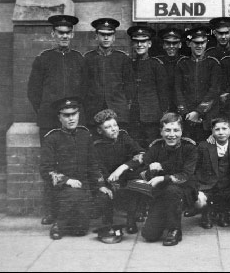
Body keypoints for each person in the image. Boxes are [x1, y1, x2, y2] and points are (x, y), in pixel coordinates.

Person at [27, 14, 84, 225]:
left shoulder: (79, 58)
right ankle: (51, 210)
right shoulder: (43, 59)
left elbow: (84, 90)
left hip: (73, 123)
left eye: (68, 33)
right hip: (50, 123)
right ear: (53, 34)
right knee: (51, 166)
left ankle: (72, 207)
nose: (65, 36)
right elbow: (33, 92)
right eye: (60, 33)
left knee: (73, 164)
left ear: (73, 34)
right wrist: (47, 113)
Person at [108, 113, 198, 246]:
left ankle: (174, 230)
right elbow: (141, 166)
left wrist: (163, 176)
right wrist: (149, 170)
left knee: (172, 190)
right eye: (167, 130)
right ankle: (165, 219)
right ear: (161, 132)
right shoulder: (156, 147)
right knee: (149, 235)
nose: (171, 135)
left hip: (184, 189)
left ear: (181, 131)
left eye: (176, 130)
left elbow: (186, 175)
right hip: (161, 193)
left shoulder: (189, 148)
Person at [40, 97, 100, 240]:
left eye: (74, 114)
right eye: (66, 115)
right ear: (59, 117)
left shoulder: (85, 135)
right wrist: (67, 181)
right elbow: (45, 169)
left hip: (83, 188)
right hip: (61, 189)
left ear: (79, 114)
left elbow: (93, 164)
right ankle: (58, 225)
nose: (71, 119)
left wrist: (100, 185)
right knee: (72, 195)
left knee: (81, 230)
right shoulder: (52, 138)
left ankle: (71, 221)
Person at [91, 109, 145, 234]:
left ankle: (131, 219)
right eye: (108, 127)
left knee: (134, 186)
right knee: (103, 196)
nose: (114, 129)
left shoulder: (123, 137)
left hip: (126, 177)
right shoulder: (96, 146)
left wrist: (123, 167)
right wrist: (102, 185)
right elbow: (95, 167)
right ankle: (108, 222)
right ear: (100, 131)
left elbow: (141, 154)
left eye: (115, 125)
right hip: (107, 179)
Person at [82, 18, 134, 133]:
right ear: (96, 36)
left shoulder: (122, 58)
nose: (106, 38)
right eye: (102, 34)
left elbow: (129, 85)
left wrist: (124, 105)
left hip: (118, 110)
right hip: (94, 110)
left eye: (109, 35)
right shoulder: (88, 58)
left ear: (114, 37)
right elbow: (84, 86)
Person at [195, 117, 230, 228]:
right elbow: (196, 168)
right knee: (198, 199)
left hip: (228, 187)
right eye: (217, 129)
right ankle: (206, 212)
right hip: (208, 187)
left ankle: (224, 212)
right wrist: (198, 186)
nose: (221, 132)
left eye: (224, 128)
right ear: (212, 131)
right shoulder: (204, 146)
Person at [175, 26, 221, 143]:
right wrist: (186, 113)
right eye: (196, 43)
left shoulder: (213, 63)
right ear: (189, 43)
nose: (199, 46)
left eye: (202, 43)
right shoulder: (182, 63)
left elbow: (214, 90)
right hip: (187, 117)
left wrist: (198, 112)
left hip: (207, 117)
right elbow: (177, 90)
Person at [127, 25, 169, 148]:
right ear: (133, 44)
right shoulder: (129, 64)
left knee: (152, 146)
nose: (140, 45)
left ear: (149, 44)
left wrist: (162, 114)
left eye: (143, 41)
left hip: (152, 116)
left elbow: (163, 93)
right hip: (133, 116)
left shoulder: (156, 65)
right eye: (136, 42)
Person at [155, 28, 187, 112]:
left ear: (180, 45)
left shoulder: (186, 62)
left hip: (183, 106)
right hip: (162, 106)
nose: (171, 46)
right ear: (163, 45)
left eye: (175, 43)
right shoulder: (156, 62)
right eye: (168, 43)